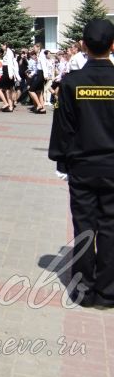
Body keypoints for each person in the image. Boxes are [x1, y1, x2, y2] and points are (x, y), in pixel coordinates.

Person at [48, 19, 114, 308]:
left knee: (85, 226)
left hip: (83, 167)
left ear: (84, 46)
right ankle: (108, 291)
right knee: (111, 227)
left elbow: (63, 127)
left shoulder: (72, 83)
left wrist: (61, 162)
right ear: (113, 46)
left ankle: (84, 290)